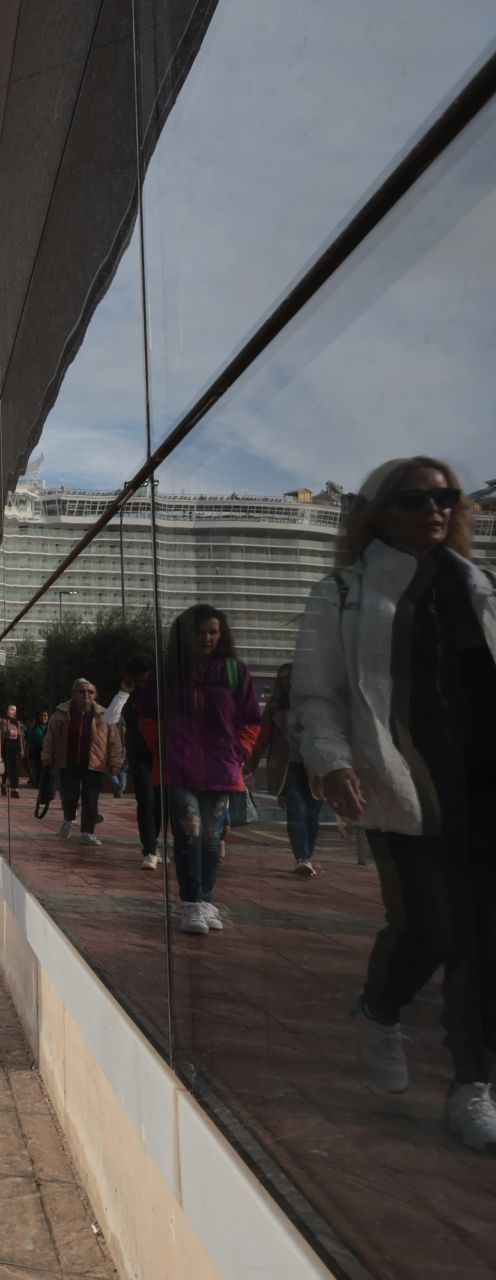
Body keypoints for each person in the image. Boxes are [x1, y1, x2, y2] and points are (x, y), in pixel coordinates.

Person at [295, 456, 496, 1152]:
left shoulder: (478, 587)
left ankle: (474, 1083)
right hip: (400, 780)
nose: (434, 509)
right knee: (431, 929)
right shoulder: (343, 594)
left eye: (445, 497)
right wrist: (333, 763)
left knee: (484, 940)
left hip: (482, 783)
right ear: (378, 512)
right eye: (414, 499)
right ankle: (380, 1009)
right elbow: (317, 695)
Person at [139, 603, 262, 939]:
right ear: (185, 635)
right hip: (178, 767)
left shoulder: (236, 671)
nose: (207, 638)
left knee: (211, 839)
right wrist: (162, 749)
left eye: (213, 632)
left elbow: (251, 720)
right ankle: (191, 901)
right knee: (189, 833)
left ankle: (206, 900)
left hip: (222, 768)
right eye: (199, 632)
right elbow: (146, 716)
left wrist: (239, 753)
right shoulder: (166, 673)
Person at [244, 662, 320, 877]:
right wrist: (251, 762)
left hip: (314, 765)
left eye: (294, 678)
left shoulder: (316, 705)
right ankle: (302, 857)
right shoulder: (275, 706)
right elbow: (262, 738)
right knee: (297, 810)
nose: (290, 682)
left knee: (312, 814)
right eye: (285, 678)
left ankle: (308, 855)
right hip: (288, 767)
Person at [42, 679, 125, 846]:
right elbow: (50, 737)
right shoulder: (61, 713)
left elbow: (114, 741)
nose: (86, 694)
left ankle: (88, 832)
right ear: (74, 693)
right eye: (81, 691)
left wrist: (115, 762)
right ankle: (69, 818)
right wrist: (47, 756)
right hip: (68, 761)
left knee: (91, 797)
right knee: (70, 795)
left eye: (90, 692)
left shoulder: (104, 715)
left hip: (94, 763)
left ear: (95, 695)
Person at [119, 657, 162, 870]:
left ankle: (154, 843)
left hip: (162, 754)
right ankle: (150, 850)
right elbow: (110, 718)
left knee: (161, 803)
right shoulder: (129, 698)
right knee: (146, 801)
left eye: (148, 678)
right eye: (141, 680)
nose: (145, 683)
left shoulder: (161, 695)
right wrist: (123, 693)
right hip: (139, 755)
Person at [0, 704, 24, 797]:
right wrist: (11, 732)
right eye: (10, 710)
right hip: (8, 745)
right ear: (7, 711)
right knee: (8, 769)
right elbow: (4, 733)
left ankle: (15, 790)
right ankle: (3, 784)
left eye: (14, 710)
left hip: (16, 746)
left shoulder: (17, 722)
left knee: (16, 769)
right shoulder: (3, 721)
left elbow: (20, 737)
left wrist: (22, 749)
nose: (12, 712)